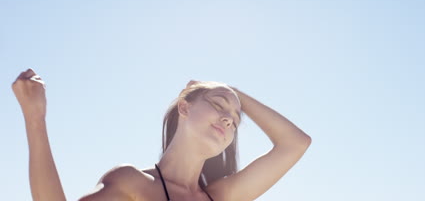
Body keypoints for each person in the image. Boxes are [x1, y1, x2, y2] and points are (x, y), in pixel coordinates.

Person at [13, 68, 312, 201]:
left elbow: (296, 143)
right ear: (184, 107)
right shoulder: (134, 184)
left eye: (234, 121)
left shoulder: (220, 196)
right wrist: (35, 118)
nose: (227, 119)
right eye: (218, 106)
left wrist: (234, 95)